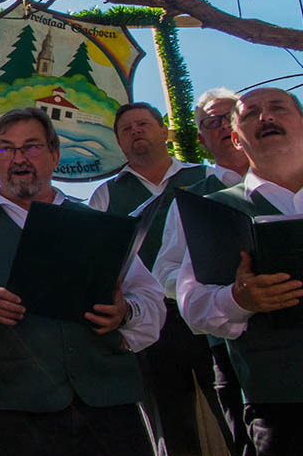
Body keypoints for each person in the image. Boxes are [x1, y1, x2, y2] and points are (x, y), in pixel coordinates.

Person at [0, 107, 165, 456]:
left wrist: (125, 313)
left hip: (110, 407)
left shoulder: (95, 222)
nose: (18, 158)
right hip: (17, 413)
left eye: (31, 147)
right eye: (6, 148)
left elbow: (151, 300)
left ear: (54, 155)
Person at [89, 101, 223, 456]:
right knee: (168, 421)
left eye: (143, 123)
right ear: (119, 142)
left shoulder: (207, 178)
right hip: (147, 319)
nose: (135, 131)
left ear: (164, 130)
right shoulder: (106, 195)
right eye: (126, 129)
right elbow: (100, 263)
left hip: (210, 310)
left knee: (229, 407)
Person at [176, 87, 303, 455]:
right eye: (251, 114)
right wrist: (238, 299)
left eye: (278, 108)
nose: (266, 117)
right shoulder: (213, 212)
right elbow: (192, 305)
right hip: (281, 411)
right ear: (235, 138)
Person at [152, 88, 252, 456]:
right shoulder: (194, 199)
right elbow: (166, 272)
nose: (224, 127)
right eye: (213, 122)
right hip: (231, 350)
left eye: (231, 117)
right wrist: (220, 294)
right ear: (201, 138)